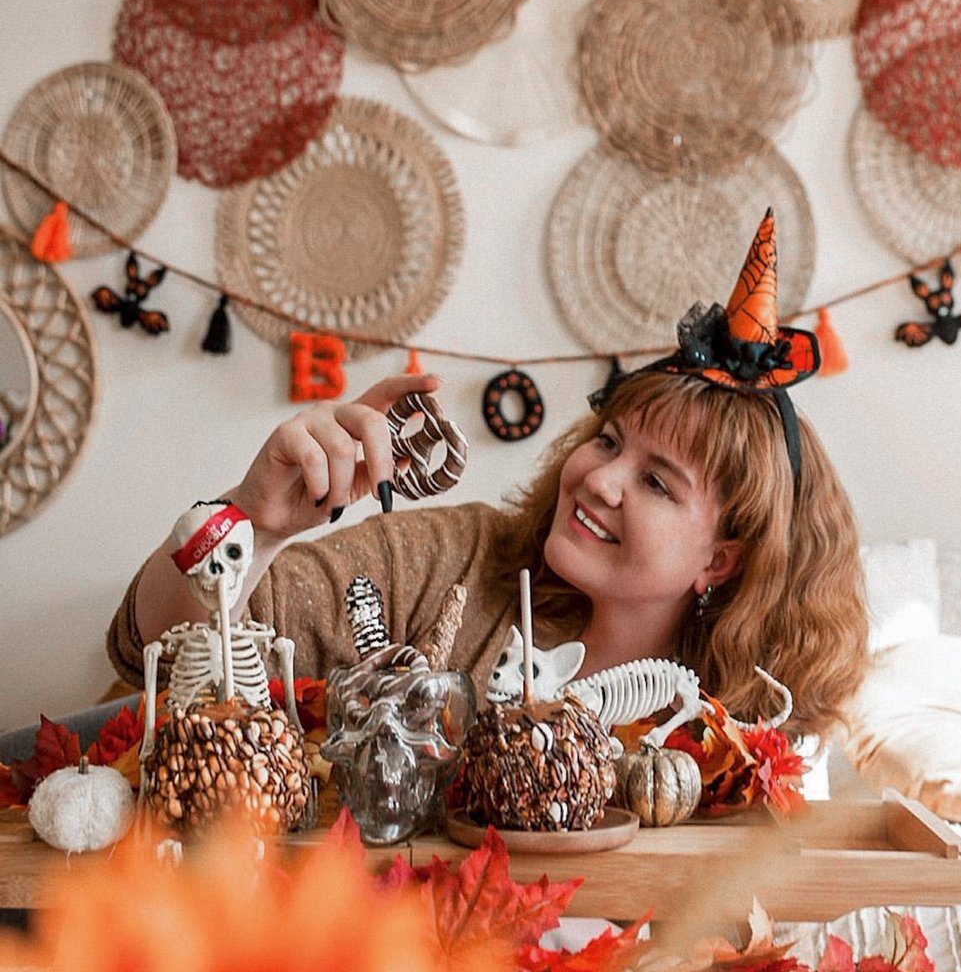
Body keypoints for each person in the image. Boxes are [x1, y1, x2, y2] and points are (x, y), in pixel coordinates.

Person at [107, 210, 869, 741]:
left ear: (720, 559)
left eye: (656, 482)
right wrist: (253, 519)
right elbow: (158, 655)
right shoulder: (455, 561)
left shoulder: (733, 741)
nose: (600, 479)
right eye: (608, 441)